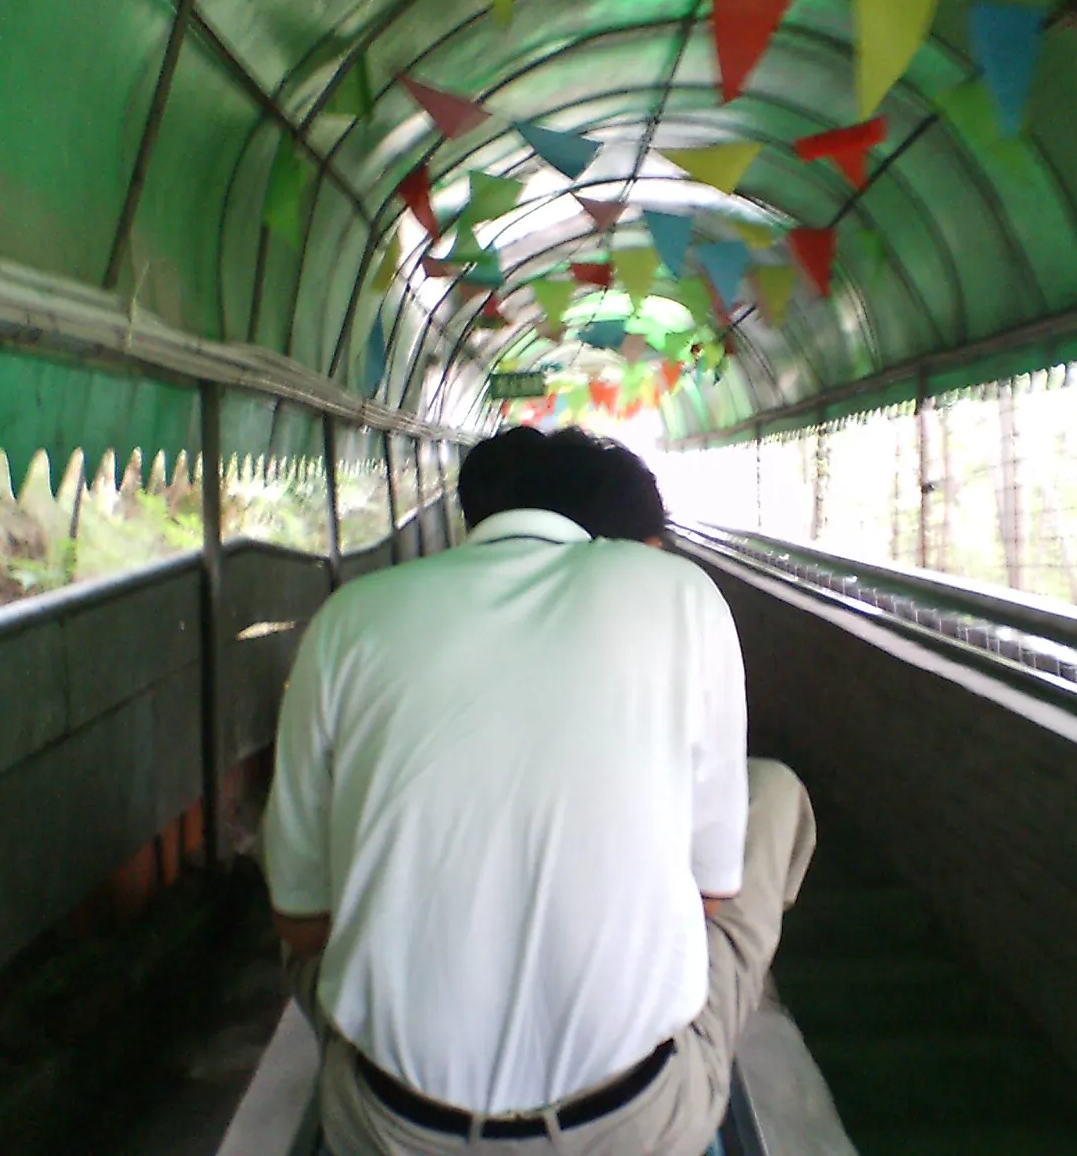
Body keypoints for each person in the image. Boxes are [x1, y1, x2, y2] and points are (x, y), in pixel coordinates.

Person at [262, 427, 815, 1156]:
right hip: (628, 1124)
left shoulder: (347, 619)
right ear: (623, 539)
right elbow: (711, 898)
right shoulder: (680, 595)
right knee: (771, 793)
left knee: (306, 891)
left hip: (394, 1126)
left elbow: (301, 925)